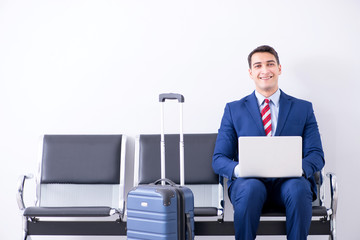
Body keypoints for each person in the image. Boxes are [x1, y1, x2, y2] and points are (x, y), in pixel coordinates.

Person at [212, 45, 325, 240]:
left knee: (298, 188)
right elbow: (219, 159)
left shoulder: (303, 109)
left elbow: (316, 155)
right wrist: (242, 169)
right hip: (249, 184)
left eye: (270, 64)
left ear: (279, 68)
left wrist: (296, 168)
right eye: (258, 66)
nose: (265, 70)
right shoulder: (234, 110)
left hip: (290, 184)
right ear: (251, 73)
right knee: (250, 188)